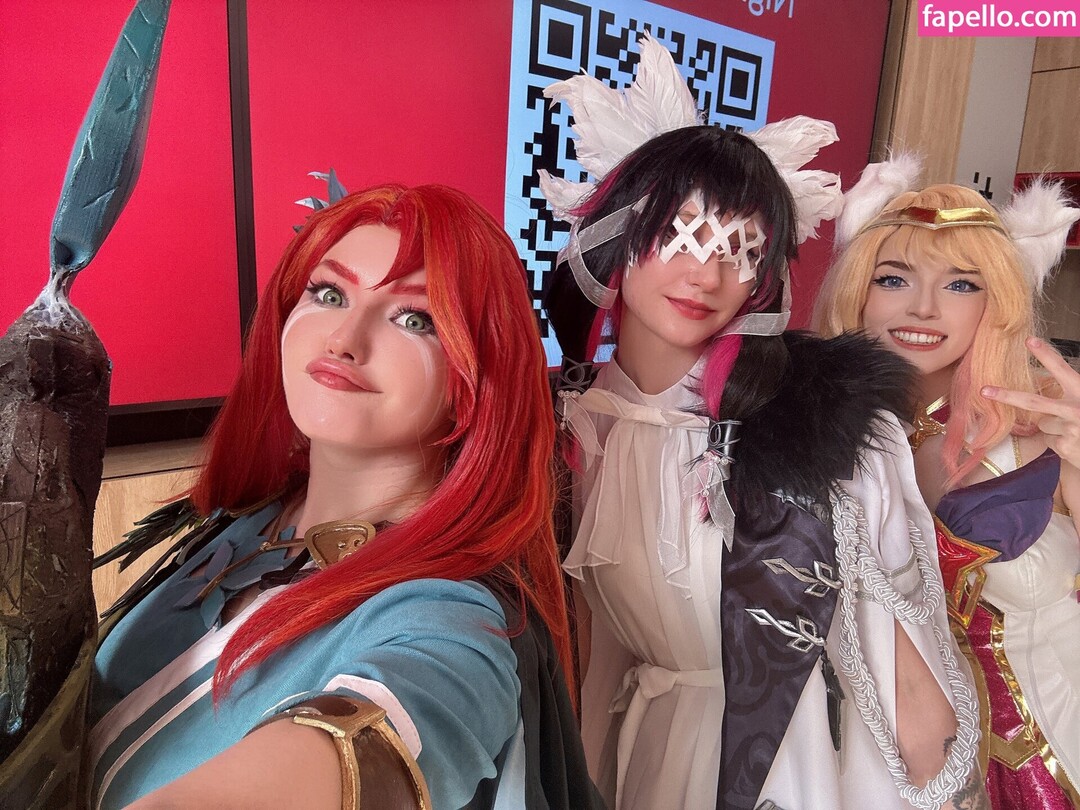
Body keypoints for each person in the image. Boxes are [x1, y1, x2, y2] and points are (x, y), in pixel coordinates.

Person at [540, 35, 983, 810]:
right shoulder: (569, 420)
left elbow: (897, 655)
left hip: (785, 756)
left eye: (741, 247)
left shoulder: (819, 425)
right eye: (681, 233)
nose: (707, 272)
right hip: (632, 746)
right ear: (618, 237)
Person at [88, 183, 601, 810]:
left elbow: (398, 719)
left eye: (414, 319)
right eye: (329, 294)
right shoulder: (246, 523)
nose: (343, 339)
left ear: (476, 381)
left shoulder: (450, 620)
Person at [815, 165, 1080, 808]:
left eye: (961, 284)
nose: (923, 307)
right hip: (882, 767)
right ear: (858, 291)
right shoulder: (813, 439)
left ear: (997, 303)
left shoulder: (1050, 430)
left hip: (1055, 755)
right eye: (893, 278)